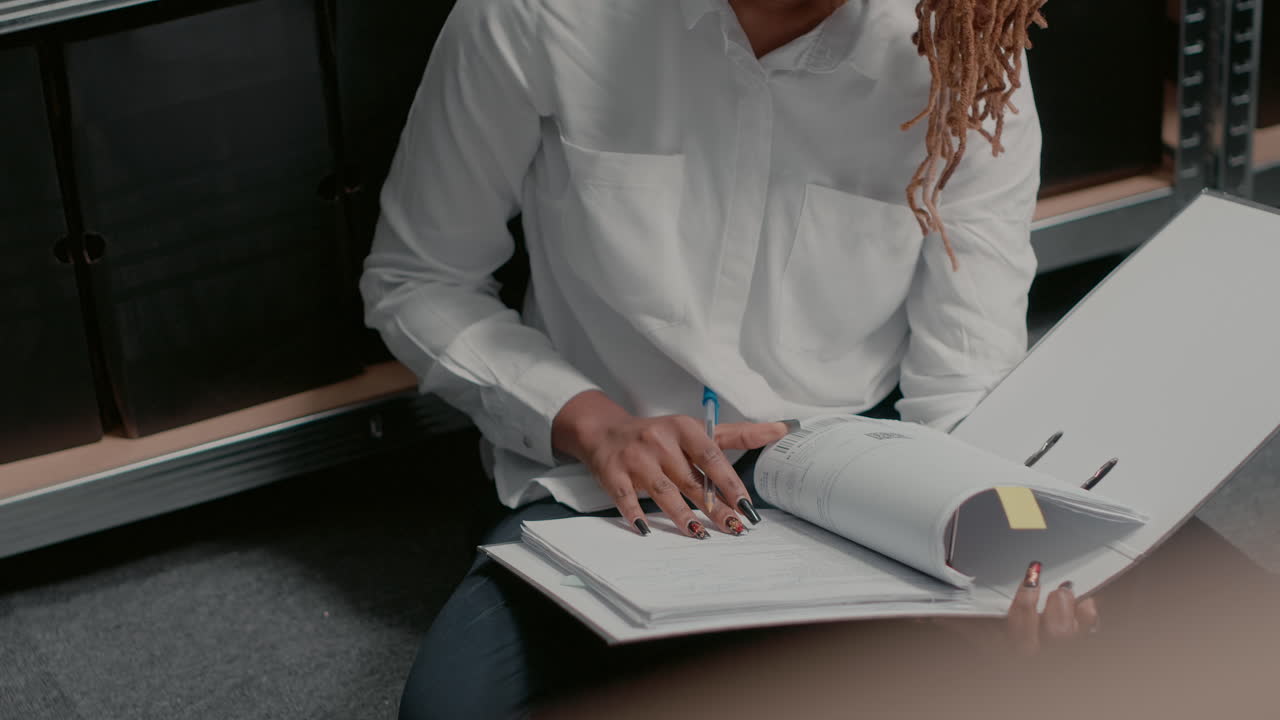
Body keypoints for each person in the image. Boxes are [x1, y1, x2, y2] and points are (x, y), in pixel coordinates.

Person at [360, 0, 1276, 717]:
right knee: (452, 707)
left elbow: (966, 379)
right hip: (618, 483)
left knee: (1232, 630)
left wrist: (1001, 570)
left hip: (864, 469)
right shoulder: (535, 13)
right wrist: (591, 422)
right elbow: (417, 277)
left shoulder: (963, 52)